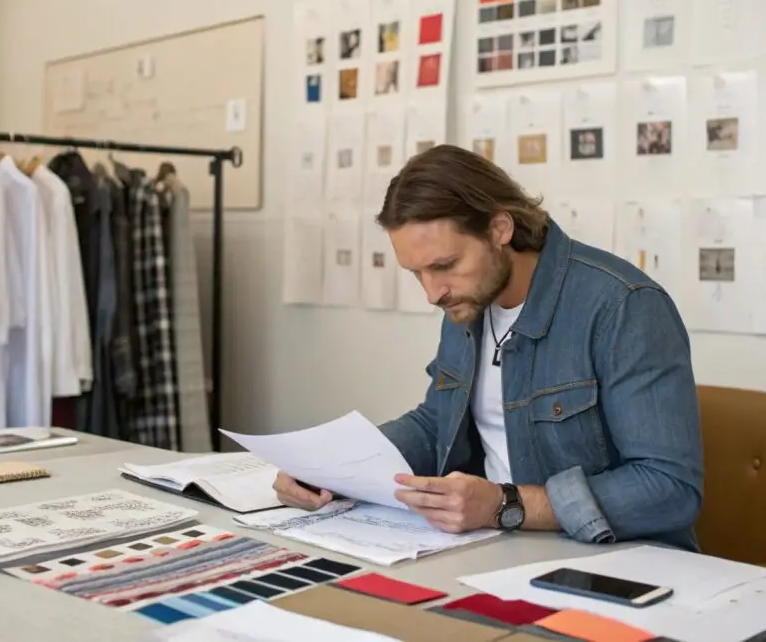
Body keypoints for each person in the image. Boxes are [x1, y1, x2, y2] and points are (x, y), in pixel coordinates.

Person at [274, 145, 704, 550]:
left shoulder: (623, 306)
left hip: (613, 559)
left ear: (499, 228)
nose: (432, 293)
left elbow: (668, 487)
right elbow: (437, 422)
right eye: (416, 273)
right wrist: (330, 468)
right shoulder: (468, 301)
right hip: (496, 550)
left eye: (444, 266)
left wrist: (505, 505)